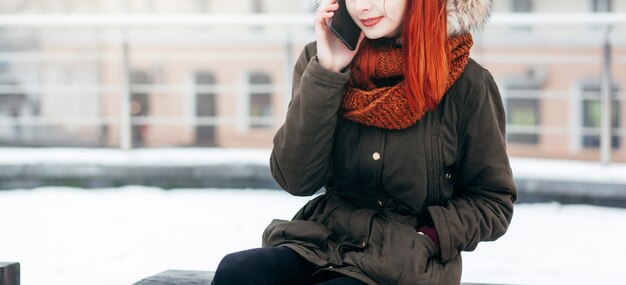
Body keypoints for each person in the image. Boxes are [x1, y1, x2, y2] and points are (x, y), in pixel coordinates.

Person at [212, 0, 516, 284]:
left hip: (403, 263)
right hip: (323, 241)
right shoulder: (321, 60)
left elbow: (492, 200)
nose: (363, 7)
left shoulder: (467, 83)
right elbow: (296, 179)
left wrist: (430, 236)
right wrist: (328, 73)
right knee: (237, 273)